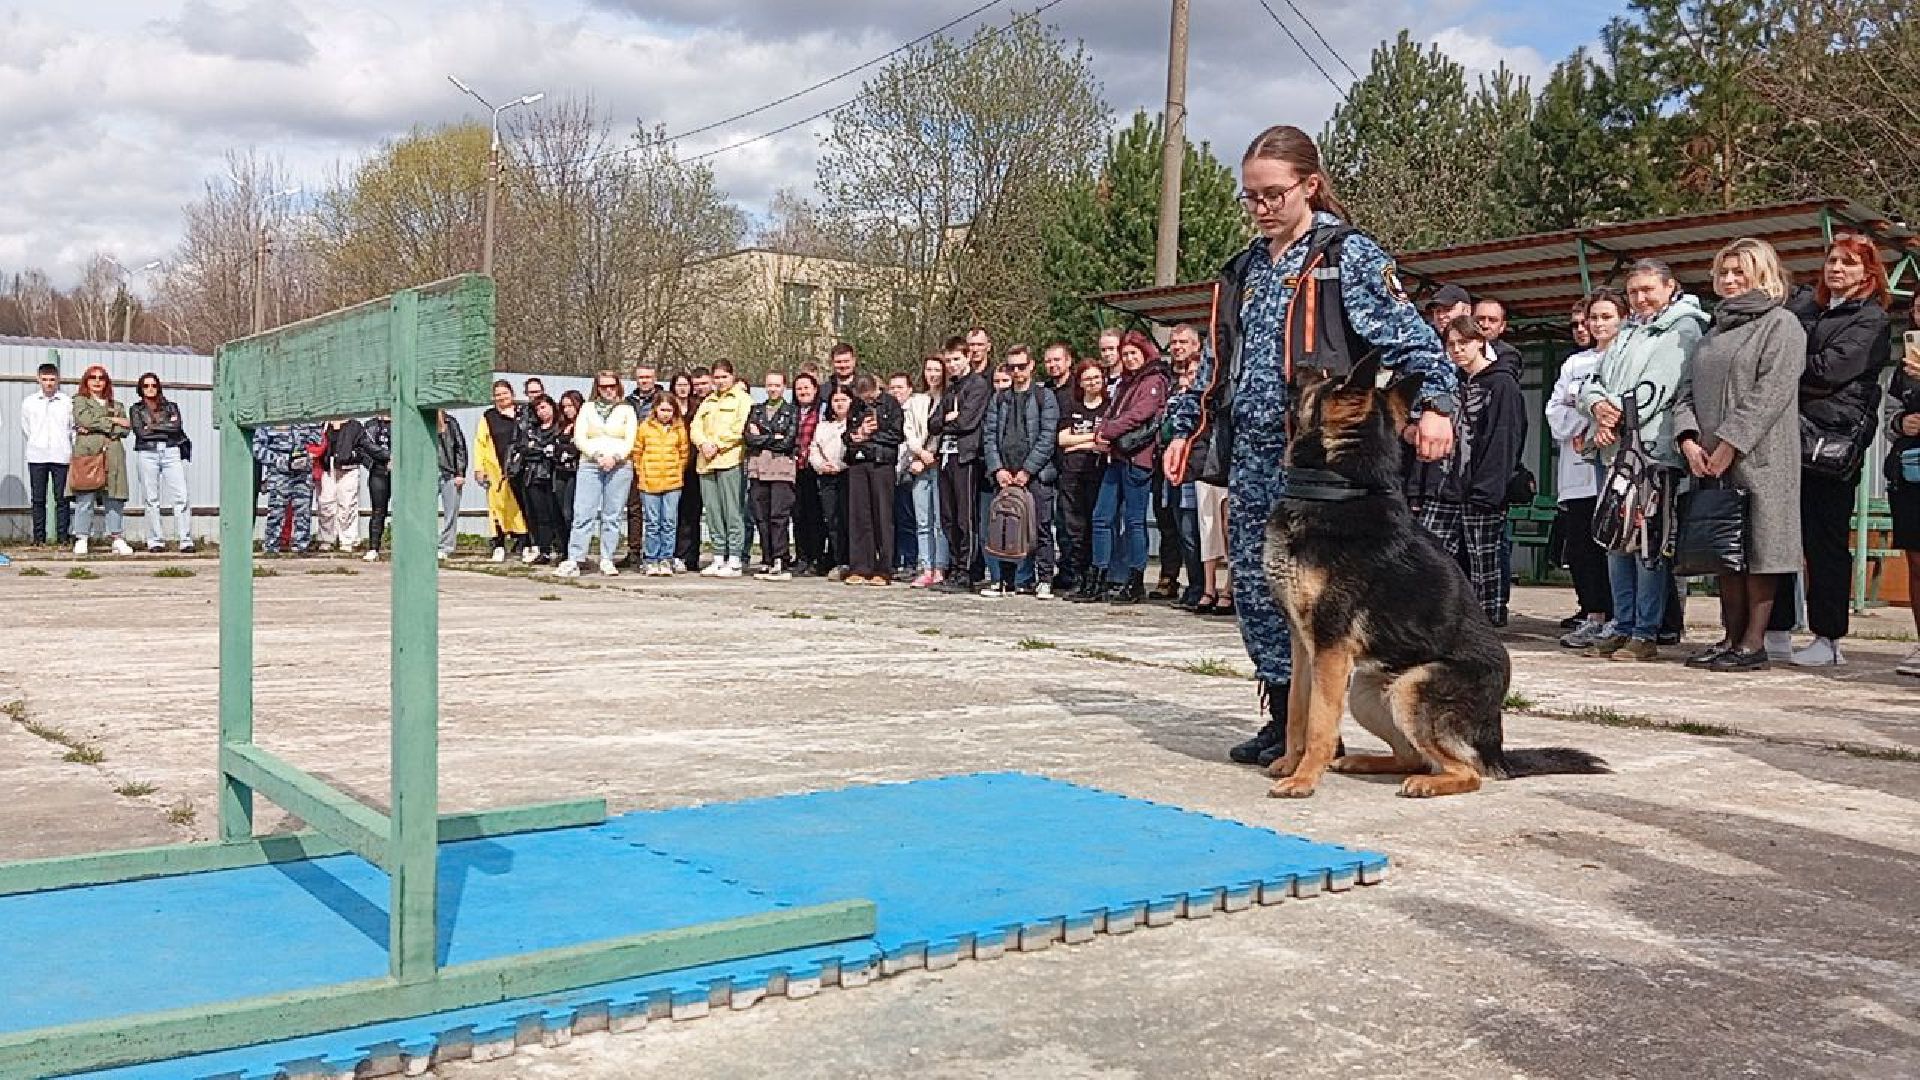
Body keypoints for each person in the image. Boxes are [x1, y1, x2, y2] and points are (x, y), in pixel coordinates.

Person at [1162, 124, 1459, 766]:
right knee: (1256, 584)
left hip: (1327, 467)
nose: (1262, 207)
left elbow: (1410, 338)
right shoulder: (1241, 270)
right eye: (1251, 197)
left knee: (1328, 601)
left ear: (1310, 186)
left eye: (1273, 193)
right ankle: (1283, 717)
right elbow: (1219, 363)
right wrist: (1185, 427)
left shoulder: (1344, 257)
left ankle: (1364, 715)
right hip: (1251, 456)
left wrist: (1436, 405)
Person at [1671, 238, 1806, 672]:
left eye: (1738, 272)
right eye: (1723, 273)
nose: (1729, 281)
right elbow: (1686, 392)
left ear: (1761, 273)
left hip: (1762, 458)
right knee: (1724, 550)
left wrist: (1730, 442)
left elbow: (1772, 393)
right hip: (1710, 459)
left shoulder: (1782, 325)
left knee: (1761, 548)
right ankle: (1729, 637)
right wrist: (1689, 440)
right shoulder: (1713, 332)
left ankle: (1754, 642)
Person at [1768, 233, 1894, 667]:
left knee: (1825, 542)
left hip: (1831, 440)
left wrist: (1786, 365)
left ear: (1868, 272)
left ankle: (1828, 637)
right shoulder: (1809, 309)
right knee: (1779, 535)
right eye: (1833, 260)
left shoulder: (1871, 319)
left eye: (1849, 263)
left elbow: (1829, 369)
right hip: (1789, 433)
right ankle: (1778, 626)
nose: (1837, 269)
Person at [1577, 259, 1709, 662]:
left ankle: (1645, 631)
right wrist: (1597, 407)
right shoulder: (1629, 329)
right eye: (1634, 291)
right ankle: (1622, 622)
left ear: (1671, 287)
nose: (1640, 298)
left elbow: (1657, 389)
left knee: (1647, 543)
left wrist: (1610, 418)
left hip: (1652, 453)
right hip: (1614, 451)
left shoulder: (1684, 329)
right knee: (1615, 540)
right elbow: (1590, 382)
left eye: (1648, 290)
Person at [1402, 317, 1527, 625]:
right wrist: (1420, 487)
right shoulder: (1447, 385)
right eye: (1452, 344)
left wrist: (1489, 491)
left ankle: (1488, 621)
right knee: (1426, 555)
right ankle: (1426, 618)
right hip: (1441, 486)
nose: (1457, 350)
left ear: (1480, 342)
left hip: (1480, 490)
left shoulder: (1502, 384)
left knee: (1485, 561)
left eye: (1464, 343)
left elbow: (1505, 437)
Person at [1548, 290, 1626, 648]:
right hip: (1577, 472)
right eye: (1590, 319)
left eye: (1603, 317)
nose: (1595, 325)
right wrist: (1584, 423)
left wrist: (1593, 425)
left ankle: (1620, 617)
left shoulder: (1628, 356)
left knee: (1616, 544)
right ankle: (1593, 614)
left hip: (1614, 466)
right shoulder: (1574, 364)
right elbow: (1555, 413)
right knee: (1582, 547)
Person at [1078, 332, 1169, 605]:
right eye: (1125, 354)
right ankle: (1099, 574)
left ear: (1144, 353)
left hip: (1137, 458)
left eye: (1133, 354)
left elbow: (1140, 413)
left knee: (1134, 521)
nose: (1129, 359)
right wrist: (1103, 432)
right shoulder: (1127, 383)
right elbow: (1112, 411)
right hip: (1117, 456)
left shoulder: (1154, 381)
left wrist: (1107, 431)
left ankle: (1135, 578)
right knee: (1101, 517)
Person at [981, 345, 1061, 598]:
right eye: (1012, 367)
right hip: (1005, 474)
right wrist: (997, 469)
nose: (1017, 372)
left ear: (1031, 366)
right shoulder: (999, 398)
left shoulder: (1044, 397)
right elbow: (990, 436)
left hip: (1036, 475)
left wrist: (1028, 469)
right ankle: (1004, 580)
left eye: (1021, 366)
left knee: (1041, 527)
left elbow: (1048, 437)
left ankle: (1044, 579)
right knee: (1004, 527)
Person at [557, 370, 637, 578]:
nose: (608, 390)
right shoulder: (587, 408)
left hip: (619, 465)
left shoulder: (627, 410)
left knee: (612, 514)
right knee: (583, 513)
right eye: (604, 386)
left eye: (612, 386)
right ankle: (575, 558)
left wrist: (616, 457)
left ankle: (607, 558)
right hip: (590, 464)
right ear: (597, 388)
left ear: (618, 386)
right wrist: (597, 455)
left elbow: (630, 439)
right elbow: (580, 437)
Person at [928, 340, 991, 593]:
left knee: (965, 516)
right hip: (945, 455)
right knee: (948, 516)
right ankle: (954, 566)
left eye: (956, 359)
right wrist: (946, 419)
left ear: (967, 357)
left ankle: (967, 569)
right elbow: (932, 423)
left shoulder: (977, 385)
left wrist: (949, 421)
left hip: (965, 457)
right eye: (949, 360)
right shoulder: (950, 389)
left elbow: (967, 421)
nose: (952, 365)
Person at [1151, 324, 1204, 601]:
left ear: (1197, 345)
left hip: (1194, 467)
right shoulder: (1165, 380)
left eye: (1184, 342)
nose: (1178, 347)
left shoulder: (1205, 382)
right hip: (1164, 464)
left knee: (1191, 529)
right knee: (1168, 526)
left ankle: (1199, 586)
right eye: (1173, 343)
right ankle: (1169, 577)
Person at [1883, 293, 1920, 677]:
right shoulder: (1906, 365)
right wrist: (1900, 425)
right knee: (1915, 560)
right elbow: (1890, 413)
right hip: (1910, 473)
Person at [691, 360, 752, 576]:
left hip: (729, 460)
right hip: (706, 462)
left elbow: (739, 428)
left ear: (732, 377)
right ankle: (718, 556)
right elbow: (695, 427)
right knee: (713, 512)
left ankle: (734, 557)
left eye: (724, 377)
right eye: (716, 378)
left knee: (732, 510)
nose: (720, 381)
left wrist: (717, 444)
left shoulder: (742, 400)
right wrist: (702, 444)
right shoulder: (708, 401)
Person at [66, 366, 135, 556]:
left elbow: (126, 429)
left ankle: (116, 537)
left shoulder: (117, 405)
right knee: (85, 496)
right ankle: (82, 537)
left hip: (113, 453)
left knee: (114, 496)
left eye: (101, 378)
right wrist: (113, 421)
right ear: (86, 381)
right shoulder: (80, 401)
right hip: (88, 452)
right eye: (92, 378)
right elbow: (84, 420)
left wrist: (103, 425)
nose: (97, 381)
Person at [844, 374, 904, 586]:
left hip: (882, 464)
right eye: (863, 399)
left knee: (882, 515)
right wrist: (856, 434)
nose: (867, 402)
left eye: (870, 398)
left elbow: (896, 435)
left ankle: (884, 568)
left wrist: (871, 434)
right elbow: (847, 434)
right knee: (860, 516)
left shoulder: (891, 404)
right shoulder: (856, 406)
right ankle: (860, 565)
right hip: (859, 463)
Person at [1055, 360, 1107, 595]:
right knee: (1073, 526)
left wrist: (1080, 441)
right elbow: (1063, 440)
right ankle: (1077, 575)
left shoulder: (1109, 406)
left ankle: (1096, 576)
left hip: (1097, 472)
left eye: (1096, 378)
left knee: (1095, 524)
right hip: (1072, 474)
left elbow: (1105, 442)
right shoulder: (1071, 405)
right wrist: (1090, 440)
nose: (1092, 382)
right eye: (1087, 378)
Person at [129, 373, 193, 553]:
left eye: (153, 385)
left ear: (159, 387)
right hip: (147, 452)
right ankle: (155, 540)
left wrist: (153, 427)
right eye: (146, 386)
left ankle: (185, 539)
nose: (150, 389)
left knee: (181, 495)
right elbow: (141, 433)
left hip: (171, 450)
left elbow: (176, 427)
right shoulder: (136, 409)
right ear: (140, 389)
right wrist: (163, 427)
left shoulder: (171, 407)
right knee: (151, 498)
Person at [745, 370, 799, 579]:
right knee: (761, 516)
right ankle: (767, 558)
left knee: (778, 515)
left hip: (781, 470)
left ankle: (780, 557)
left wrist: (763, 436)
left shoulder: (791, 411)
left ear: (784, 387)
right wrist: (773, 436)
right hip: (758, 469)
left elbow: (788, 441)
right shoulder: (755, 410)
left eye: (777, 385)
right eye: (769, 385)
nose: (773, 389)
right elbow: (749, 438)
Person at [631, 394, 690, 576]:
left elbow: (683, 452)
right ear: (655, 409)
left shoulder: (679, 429)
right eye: (662, 409)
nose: (666, 414)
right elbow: (637, 452)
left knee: (669, 522)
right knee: (652, 523)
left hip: (672, 483)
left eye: (669, 410)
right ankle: (650, 559)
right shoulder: (645, 427)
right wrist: (642, 472)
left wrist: (677, 472)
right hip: (649, 483)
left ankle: (666, 558)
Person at [903, 355, 948, 588]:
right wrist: (920, 453)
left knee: (939, 519)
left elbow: (944, 430)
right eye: (929, 370)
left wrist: (931, 456)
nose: (932, 374)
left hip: (938, 463)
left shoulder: (949, 399)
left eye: (937, 370)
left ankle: (940, 567)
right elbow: (909, 431)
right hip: (919, 462)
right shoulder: (916, 401)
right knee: (922, 520)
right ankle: (926, 566)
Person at [474, 380, 530, 562]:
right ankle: (498, 544)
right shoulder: (488, 416)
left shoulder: (523, 413)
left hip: (521, 468)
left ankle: (525, 542)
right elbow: (480, 443)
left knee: (523, 506)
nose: (501, 397)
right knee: (497, 509)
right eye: (497, 394)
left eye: (504, 393)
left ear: (512, 394)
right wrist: (479, 468)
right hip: (497, 470)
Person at [21, 361, 73, 546]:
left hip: (61, 455)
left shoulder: (67, 402)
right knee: (38, 499)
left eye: (52, 379)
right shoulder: (29, 402)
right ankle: (39, 538)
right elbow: (26, 427)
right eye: (45, 379)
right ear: (38, 379)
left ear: (58, 380)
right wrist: (38, 442)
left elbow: (71, 428)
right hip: (37, 455)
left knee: (62, 499)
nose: (49, 383)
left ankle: (63, 537)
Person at [253, 421, 321, 556]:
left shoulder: (306, 415)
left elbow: (318, 437)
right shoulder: (270, 419)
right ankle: (271, 547)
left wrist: (307, 453)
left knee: (303, 510)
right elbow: (257, 448)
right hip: (279, 473)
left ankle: (301, 546)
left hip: (302, 471)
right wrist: (279, 460)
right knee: (277, 511)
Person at [620, 363, 663, 568]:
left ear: (655, 378)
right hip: (634, 457)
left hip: (658, 459)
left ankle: (660, 552)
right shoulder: (628, 402)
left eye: (648, 377)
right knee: (634, 506)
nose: (644, 381)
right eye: (641, 377)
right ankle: (634, 550)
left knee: (660, 510)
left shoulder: (663, 399)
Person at [519, 396, 568, 565]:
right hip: (534, 475)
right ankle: (544, 549)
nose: (542, 412)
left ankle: (563, 549)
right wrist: (540, 450)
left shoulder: (559, 428)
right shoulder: (533, 429)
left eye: (544, 407)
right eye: (538, 409)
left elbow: (557, 450)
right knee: (540, 516)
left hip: (554, 475)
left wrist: (541, 450)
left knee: (558, 514)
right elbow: (525, 450)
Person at [809, 387, 853, 576]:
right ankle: (839, 560)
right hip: (826, 476)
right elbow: (814, 449)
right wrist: (820, 465)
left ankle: (853, 560)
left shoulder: (854, 424)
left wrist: (840, 465)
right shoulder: (824, 426)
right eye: (836, 400)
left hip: (847, 475)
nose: (839, 404)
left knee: (849, 519)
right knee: (832, 520)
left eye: (843, 399)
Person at [791, 373, 828, 575]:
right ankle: (802, 556)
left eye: (807, 388)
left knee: (815, 514)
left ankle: (816, 557)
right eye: (799, 389)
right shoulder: (792, 412)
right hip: (795, 467)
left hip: (815, 467)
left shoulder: (821, 411)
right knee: (797, 514)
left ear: (815, 389)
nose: (803, 392)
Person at [315, 418, 370, 554]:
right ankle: (326, 539)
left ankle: (348, 540)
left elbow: (362, 446)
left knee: (348, 504)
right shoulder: (324, 425)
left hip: (348, 467)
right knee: (325, 503)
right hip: (328, 466)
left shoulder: (355, 425)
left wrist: (353, 455)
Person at [673, 368, 708, 573]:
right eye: (679, 385)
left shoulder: (699, 406)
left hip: (696, 464)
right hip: (674, 465)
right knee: (676, 513)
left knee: (693, 513)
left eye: (687, 385)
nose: (684, 389)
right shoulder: (668, 407)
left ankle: (691, 557)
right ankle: (677, 553)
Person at [360, 415, 394, 562]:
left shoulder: (402, 421)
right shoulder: (370, 425)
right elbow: (367, 446)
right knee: (378, 511)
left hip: (402, 472)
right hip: (378, 471)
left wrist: (398, 459)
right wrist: (389, 456)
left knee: (405, 511)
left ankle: (405, 547)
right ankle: (373, 548)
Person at [435, 411, 467, 559]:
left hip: (449, 472)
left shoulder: (451, 422)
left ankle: (446, 546)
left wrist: (460, 472)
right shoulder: (419, 423)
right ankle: (426, 544)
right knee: (423, 512)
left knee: (451, 513)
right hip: (426, 474)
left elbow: (460, 447)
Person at [556, 390, 584, 542]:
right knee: (560, 511)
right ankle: (565, 547)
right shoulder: (561, 425)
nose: (567, 410)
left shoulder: (583, 425)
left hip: (576, 471)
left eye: (571, 406)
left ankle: (576, 547)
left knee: (570, 512)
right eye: (564, 406)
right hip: (560, 471)